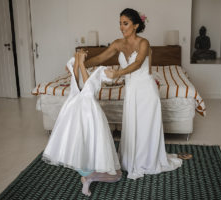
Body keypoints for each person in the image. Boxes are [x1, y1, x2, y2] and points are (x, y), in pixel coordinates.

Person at [82, 8, 191, 180]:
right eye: (120, 23)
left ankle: (147, 160)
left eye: (125, 23)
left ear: (135, 25)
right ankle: (131, 159)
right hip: (131, 91)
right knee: (133, 126)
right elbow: (99, 59)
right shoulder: (118, 43)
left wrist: (117, 74)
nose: (121, 27)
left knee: (145, 127)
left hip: (146, 91)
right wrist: (80, 62)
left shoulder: (143, 43)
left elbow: (138, 63)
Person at [42, 50, 122, 196]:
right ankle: (89, 177)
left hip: (73, 111)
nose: (112, 70)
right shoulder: (97, 74)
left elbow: (78, 80)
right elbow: (88, 86)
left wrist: (79, 62)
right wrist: (81, 62)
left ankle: (87, 173)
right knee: (115, 173)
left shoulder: (83, 76)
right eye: (111, 69)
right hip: (88, 113)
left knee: (82, 145)